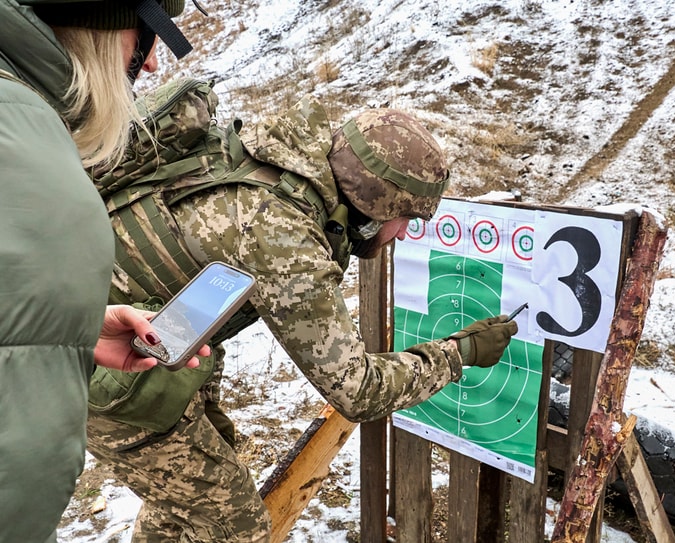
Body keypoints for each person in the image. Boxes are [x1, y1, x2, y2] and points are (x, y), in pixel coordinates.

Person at [85, 81, 518, 541]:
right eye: (407, 218)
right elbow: (357, 390)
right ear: (375, 206)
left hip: (146, 347)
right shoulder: (281, 235)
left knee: (185, 508)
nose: (407, 234)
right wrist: (459, 353)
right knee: (236, 527)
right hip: (108, 372)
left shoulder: (278, 163)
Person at [0, 2, 210, 542]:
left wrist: (61, 326)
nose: (154, 66)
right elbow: (22, 461)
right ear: (98, 22)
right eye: (147, 36)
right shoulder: (26, 149)